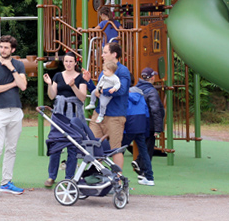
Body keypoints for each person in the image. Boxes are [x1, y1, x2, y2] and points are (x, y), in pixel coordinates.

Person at [0, 35, 27, 197]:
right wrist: (13, 83)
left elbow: (23, 86)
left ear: (13, 50)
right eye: (1, 47)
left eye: (6, 47)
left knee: (11, 148)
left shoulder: (18, 65)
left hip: (16, 111)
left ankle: (6, 183)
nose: (3, 50)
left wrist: (12, 69)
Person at [42, 51, 88, 187]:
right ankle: (51, 176)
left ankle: (69, 177)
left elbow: (82, 98)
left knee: (73, 146)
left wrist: (73, 85)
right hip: (59, 114)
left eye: (71, 61)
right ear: (64, 62)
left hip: (74, 115)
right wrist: (49, 84)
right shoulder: (57, 75)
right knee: (56, 144)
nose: (68, 64)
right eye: (66, 61)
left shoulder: (80, 78)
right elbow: (52, 96)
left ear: (75, 63)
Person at [84, 41, 131, 171]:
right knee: (93, 145)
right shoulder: (104, 71)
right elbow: (97, 91)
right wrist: (89, 82)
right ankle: (98, 174)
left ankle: (118, 178)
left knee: (115, 148)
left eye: (105, 52)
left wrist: (102, 92)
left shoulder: (123, 71)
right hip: (99, 114)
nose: (102, 55)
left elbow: (121, 90)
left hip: (115, 116)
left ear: (114, 54)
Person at [134, 67, 164, 180]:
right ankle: (145, 172)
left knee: (143, 145)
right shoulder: (151, 91)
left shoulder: (135, 88)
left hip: (137, 121)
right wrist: (158, 128)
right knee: (148, 147)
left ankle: (139, 164)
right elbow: (155, 110)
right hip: (149, 123)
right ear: (152, 77)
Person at [123, 86, 154, 186]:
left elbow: (123, 112)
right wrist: (146, 131)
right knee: (144, 151)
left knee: (118, 151)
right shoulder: (142, 98)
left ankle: (114, 176)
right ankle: (150, 177)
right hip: (141, 126)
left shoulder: (125, 97)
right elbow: (147, 114)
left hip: (129, 126)